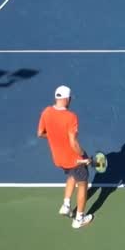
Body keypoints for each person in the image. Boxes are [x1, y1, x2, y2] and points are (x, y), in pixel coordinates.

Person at [37, 85, 94, 229]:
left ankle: (66, 205)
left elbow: (40, 133)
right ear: (67, 99)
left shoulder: (46, 112)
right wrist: (84, 156)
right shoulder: (71, 117)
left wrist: (55, 136)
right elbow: (73, 143)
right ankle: (79, 219)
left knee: (71, 175)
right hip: (74, 158)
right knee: (83, 184)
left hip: (58, 158)